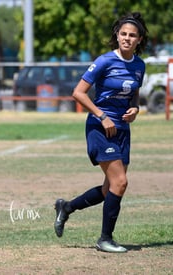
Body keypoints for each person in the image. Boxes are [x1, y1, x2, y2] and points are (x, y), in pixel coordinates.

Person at [54, 12, 148, 253]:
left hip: (122, 130)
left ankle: (67, 207)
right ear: (117, 36)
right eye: (123, 34)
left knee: (110, 189)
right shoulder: (105, 61)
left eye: (132, 35)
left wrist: (135, 109)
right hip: (100, 128)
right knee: (121, 182)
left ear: (139, 39)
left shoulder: (139, 65)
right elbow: (78, 92)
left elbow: (134, 94)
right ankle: (105, 239)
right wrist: (102, 116)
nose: (127, 38)